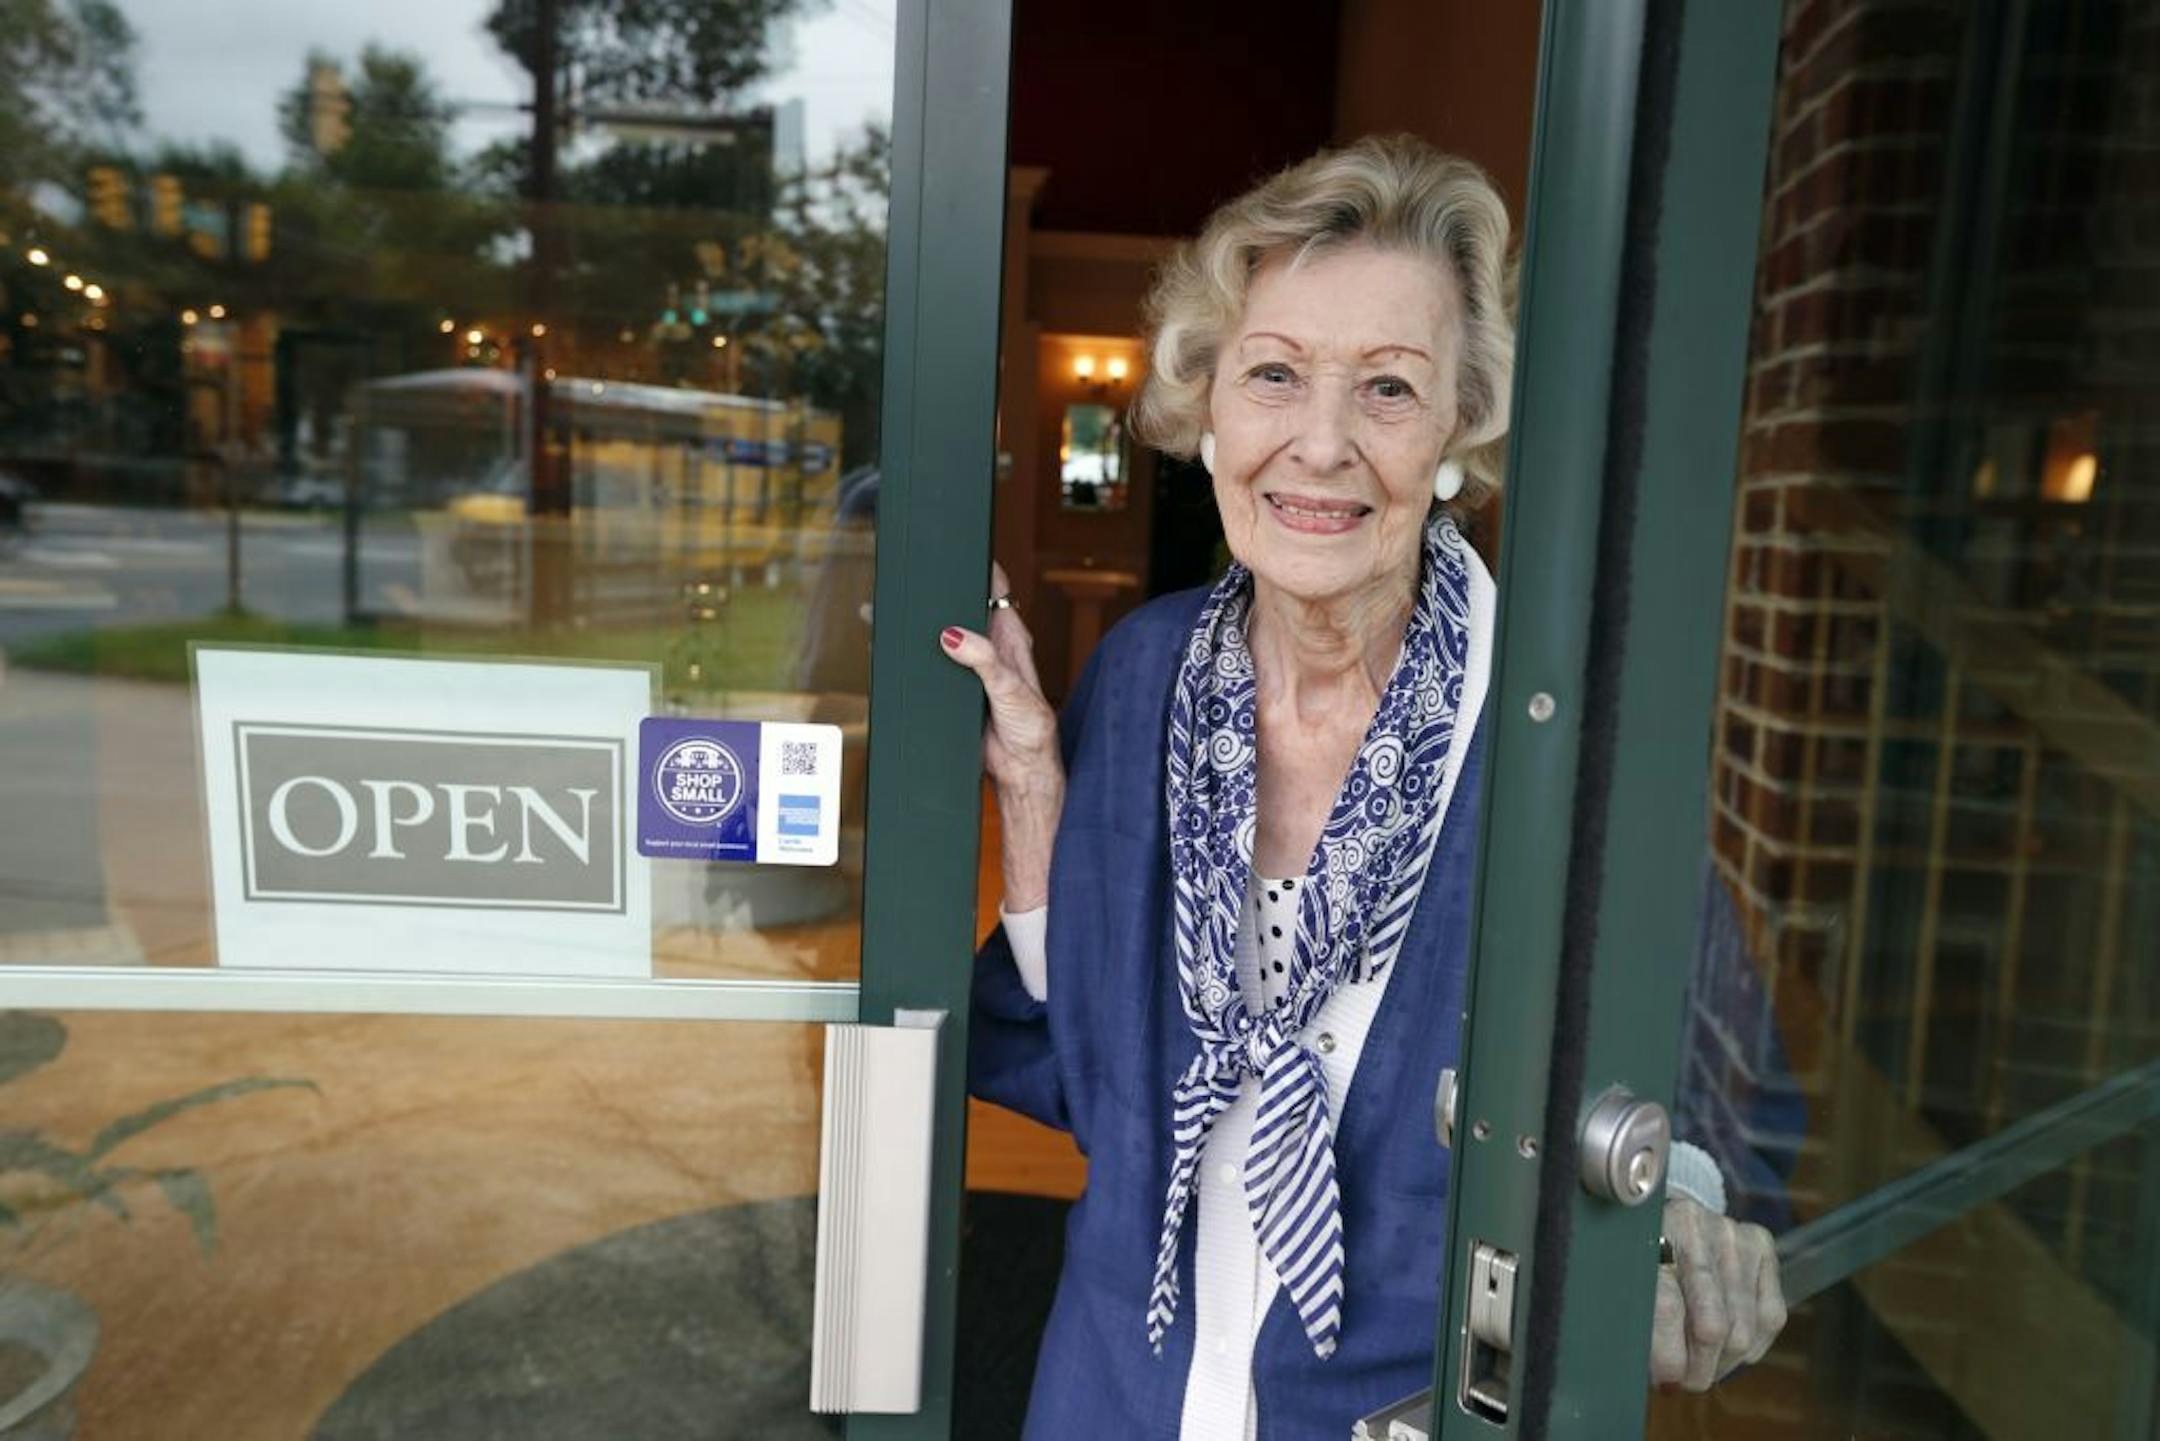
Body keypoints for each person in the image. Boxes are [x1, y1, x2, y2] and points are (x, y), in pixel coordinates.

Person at [942, 135, 1786, 1439]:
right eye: (1274, 373)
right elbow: (1083, 1078)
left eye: (1387, 389)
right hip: (1110, 1388)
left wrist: (1677, 1214)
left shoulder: (1565, 745)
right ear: (1208, 410)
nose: (1320, 444)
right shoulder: (1145, 677)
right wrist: (1044, 805)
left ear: (1459, 425)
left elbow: (1733, 1122)